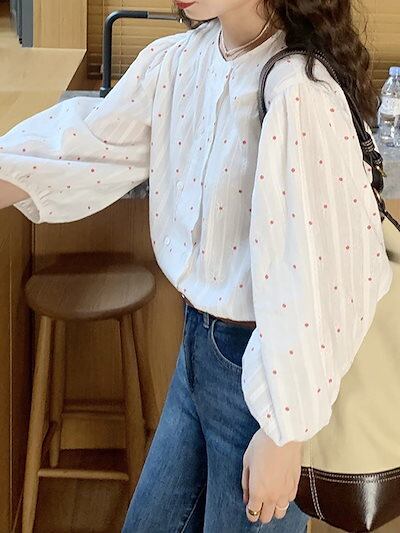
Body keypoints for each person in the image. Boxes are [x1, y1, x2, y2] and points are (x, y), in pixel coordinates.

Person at [0, 0, 393, 531]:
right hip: (198, 351)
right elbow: (87, 145)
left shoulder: (298, 93)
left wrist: (285, 432)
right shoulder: (183, 60)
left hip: (265, 376)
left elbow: (328, 277)